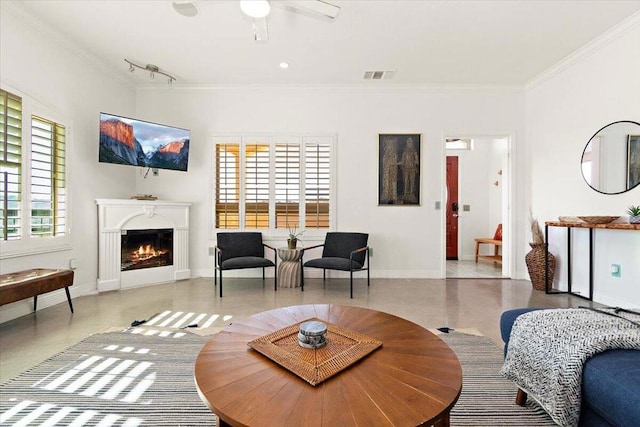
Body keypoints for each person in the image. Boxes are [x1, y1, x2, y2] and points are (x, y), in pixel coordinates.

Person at [401, 137, 419, 202]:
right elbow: (403, 160)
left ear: (412, 143)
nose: (409, 143)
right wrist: (402, 164)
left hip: (412, 168)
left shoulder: (414, 151)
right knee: (405, 181)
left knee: (412, 181)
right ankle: (405, 193)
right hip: (406, 169)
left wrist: (413, 162)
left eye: (410, 142)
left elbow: (417, 161)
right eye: (408, 142)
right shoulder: (405, 151)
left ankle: (411, 194)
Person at [381, 137, 398, 203]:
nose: (390, 146)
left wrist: (392, 164)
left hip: (393, 172)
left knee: (393, 182)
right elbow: (384, 162)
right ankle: (386, 194)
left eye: (391, 144)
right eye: (388, 144)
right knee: (386, 182)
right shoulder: (386, 154)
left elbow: (395, 162)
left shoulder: (394, 154)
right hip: (387, 172)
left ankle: (393, 195)